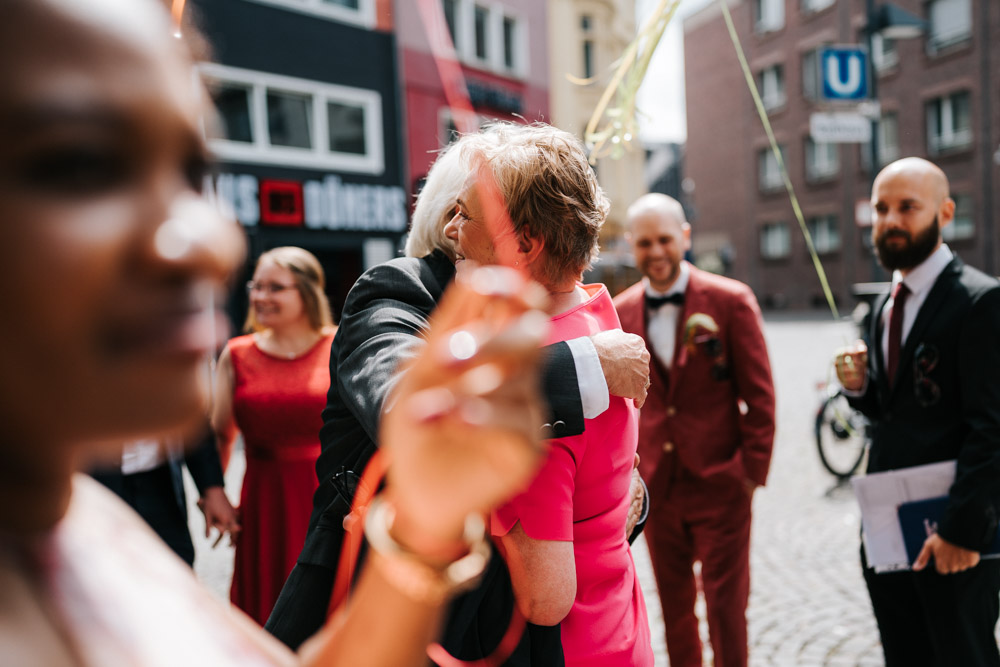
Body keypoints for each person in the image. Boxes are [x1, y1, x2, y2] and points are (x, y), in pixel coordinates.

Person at [0, 0, 554, 664]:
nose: (210, 243)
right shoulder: (391, 292)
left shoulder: (82, 522)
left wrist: (426, 528)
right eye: (83, 165)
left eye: (193, 172)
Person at [265, 132, 653, 657]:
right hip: (378, 620)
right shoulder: (396, 291)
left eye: (464, 213)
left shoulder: (558, 312)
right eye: (453, 212)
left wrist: (614, 507)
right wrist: (583, 365)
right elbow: (410, 406)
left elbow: (592, 480)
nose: (453, 228)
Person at [441, 122, 653, 666]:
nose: (450, 230)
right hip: (620, 619)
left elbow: (545, 598)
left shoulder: (533, 404)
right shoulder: (597, 312)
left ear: (526, 244)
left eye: (466, 213)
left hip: (573, 646)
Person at [835, 157, 1000, 667]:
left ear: (944, 212)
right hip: (888, 527)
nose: (891, 221)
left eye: (908, 207)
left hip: (952, 533)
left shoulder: (980, 301)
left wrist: (961, 532)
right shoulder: (885, 305)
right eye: (882, 209)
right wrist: (861, 389)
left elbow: (992, 430)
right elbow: (896, 409)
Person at [614, 193, 775, 667]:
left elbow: (760, 397)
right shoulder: (619, 314)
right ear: (631, 246)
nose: (656, 251)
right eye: (645, 243)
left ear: (684, 237)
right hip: (658, 488)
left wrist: (749, 473)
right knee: (674, 609)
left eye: (665, 239)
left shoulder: (730, 301)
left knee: (727, 607)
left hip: (721, 481)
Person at [212, 247, 337, 625]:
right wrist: (216, 495)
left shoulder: (340, 345)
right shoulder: (236, 354)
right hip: (263, 504)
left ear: (307, 293)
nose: (261, 297)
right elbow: (220, 434)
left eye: (275, 288)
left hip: (327, 502)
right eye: (256, 286)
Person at [90, 429, 240, 566]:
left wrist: (211, 486)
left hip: (161, 481)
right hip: (92, 482)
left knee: (177, 567)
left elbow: (188, 405)